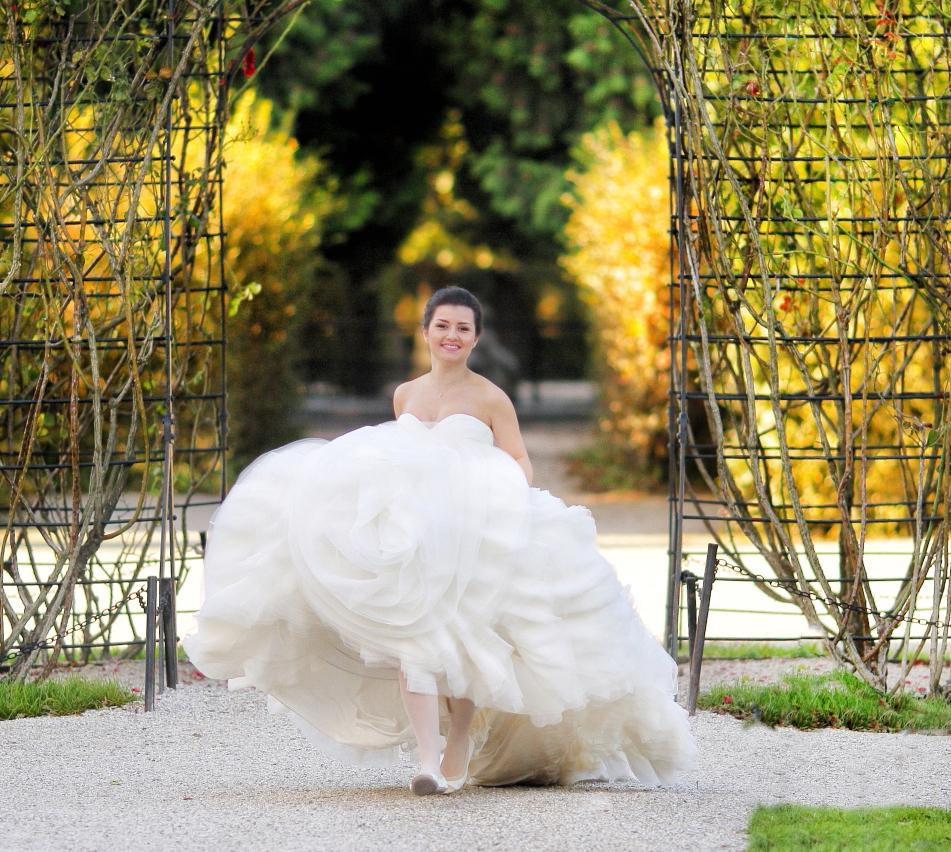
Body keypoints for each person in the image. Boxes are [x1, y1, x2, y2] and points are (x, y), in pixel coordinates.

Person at [183, 286, 696, 795]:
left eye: (463, 328)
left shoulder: (490, 397)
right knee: (413, 642)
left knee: (463, 644)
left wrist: (502, 499)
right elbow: (398, 461)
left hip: (475, 531)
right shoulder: (406, 394)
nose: (452, 336)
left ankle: (460, 737)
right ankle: (428, 760)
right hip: (415, 538)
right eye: (443, 326)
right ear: (426, 330)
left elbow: (518, 458)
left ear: (475, 339)